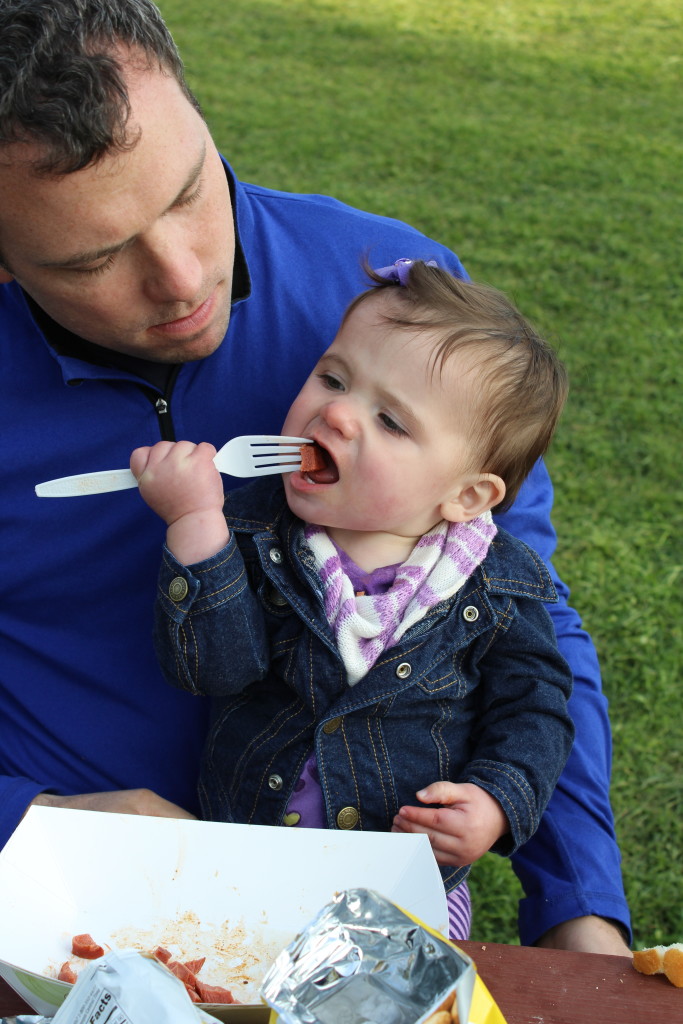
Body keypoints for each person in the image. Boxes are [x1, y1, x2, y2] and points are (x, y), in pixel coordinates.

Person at [0, 0, 630, 953]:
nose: (180, 278)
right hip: (53, 911)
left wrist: (579, 912)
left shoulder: (397, 311)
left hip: (359, 909)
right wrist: (34, 820)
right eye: (94, 258)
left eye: (185, 193)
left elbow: (521, 619)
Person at [132, 259, 576, 941]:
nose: (334, 411)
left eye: (391, 421)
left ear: (465, 496)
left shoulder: (490, 588)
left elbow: (535, 706)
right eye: (332, 378)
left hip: (403, 885)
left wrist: (493, 801)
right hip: (247, 863)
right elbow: (214, 672)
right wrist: (196, 529)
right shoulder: (252, 532)